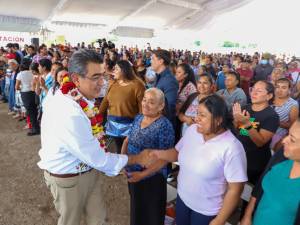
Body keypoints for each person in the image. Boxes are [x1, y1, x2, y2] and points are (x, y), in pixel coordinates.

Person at [38, 49, 150, 225]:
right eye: (96, 77)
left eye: (103, 76)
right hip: (68, 178)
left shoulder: (75, 95)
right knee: (70, 221)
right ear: (75, 79)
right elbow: (96, 157)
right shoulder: (68, 111)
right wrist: (136, 158)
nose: (102, 83)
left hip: (89, 170)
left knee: (98, 219)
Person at [148, 94, 247, 225]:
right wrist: (157, 154)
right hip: (183, 198)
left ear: (218, 120)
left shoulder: (232, 147)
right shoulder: (193, 130)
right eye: (196, 113)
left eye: (202, 115)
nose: (196, 118)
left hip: (206, 211)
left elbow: (235, 189)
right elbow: (177, 153)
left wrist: (219, 220)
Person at [121, 88, 175, 225]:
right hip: (132, 173)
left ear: (161, 106)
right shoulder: (138, 117)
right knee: (137, 209)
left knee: (151, 214)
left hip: (152, 177)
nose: (145, 104)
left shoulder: (164, 126)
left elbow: (165, 158)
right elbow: (128, 139)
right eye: (144, 100)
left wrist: (142, 175)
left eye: (151, 102)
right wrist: (123, 160)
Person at [240, 119, 300, 225]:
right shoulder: (282, 156)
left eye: (292, 139)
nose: (284, 140)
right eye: (288, 134)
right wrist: (247, 215)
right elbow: (259, 189)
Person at [232, 80, 279, 184]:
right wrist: (236, 121)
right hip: (238, 156)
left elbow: (260, 142)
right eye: (252, 89)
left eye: (259, 91)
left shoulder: (272, 116)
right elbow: (238, 131)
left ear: (269, 96)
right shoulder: (245, 108)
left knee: (247, 192)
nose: (253, 93)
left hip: (254, 163)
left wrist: (247, 124)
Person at [99, 60, 145, 153]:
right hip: (113, 124)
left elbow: (142, 108)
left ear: (124, 70)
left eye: (116, 69)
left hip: (130, 125)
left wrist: (139, 125)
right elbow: (105, 101)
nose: (113, 71)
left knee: (129, 150)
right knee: (118, 148)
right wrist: (97, 116)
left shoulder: (137, 85)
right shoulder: (113, 84)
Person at [151, 49, 179, 127]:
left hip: (162, 125)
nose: (151, 61)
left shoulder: (169, 80)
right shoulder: (159, 77)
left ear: (161, 61)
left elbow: (169, 107)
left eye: (153, 59)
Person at [270, 78, 299, 150]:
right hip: (261, 131)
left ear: (289, 90)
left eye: (284, 88)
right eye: (277, 87)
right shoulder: (269, 98)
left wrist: (274, 121)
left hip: (277, 136)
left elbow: (292, 125)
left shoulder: (293, 104)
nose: (280, 90)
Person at [15, 58, 40, 136]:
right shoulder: (32, 72)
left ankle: (35, 129)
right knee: (34, 110)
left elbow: (16, 87)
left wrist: (22, 87)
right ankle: (36, 127)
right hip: (33, 92)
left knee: (30, 111)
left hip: (25, 93)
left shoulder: (20, 74)